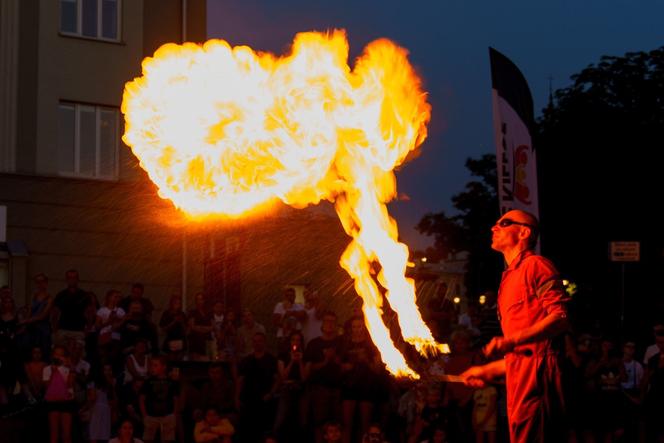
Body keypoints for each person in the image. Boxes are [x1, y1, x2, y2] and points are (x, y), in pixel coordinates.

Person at [460, 210, 570, 443]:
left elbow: (560, 318)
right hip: (520, 376)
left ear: (523, 232)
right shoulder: (509, 276)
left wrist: (511, 341)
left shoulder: (536, 266)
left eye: (504, 223)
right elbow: (522, 354)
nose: (494, 227)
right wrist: (487, 371)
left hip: (540, 377)